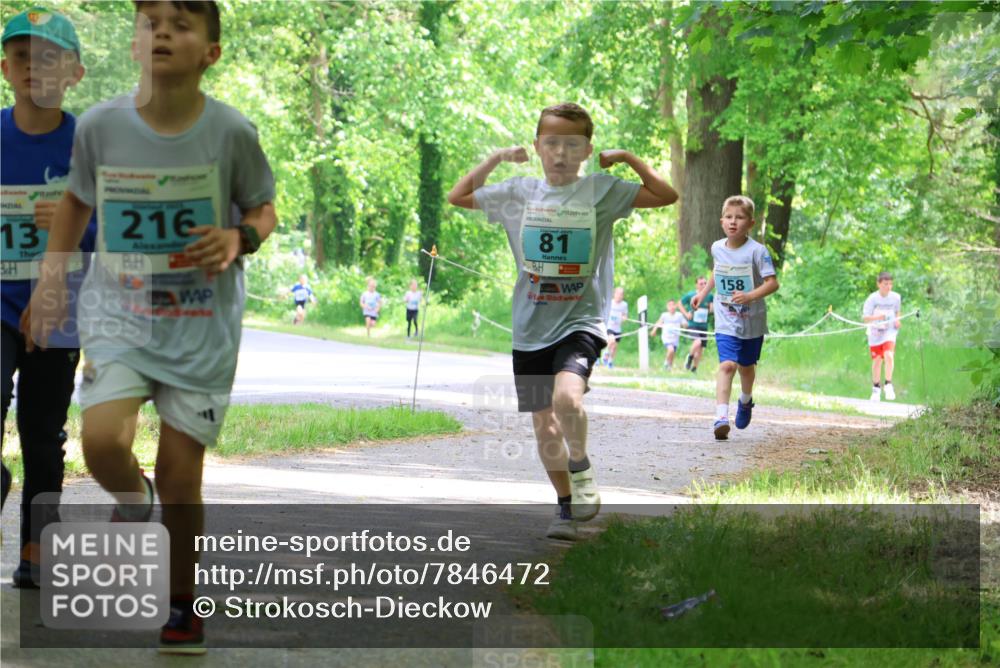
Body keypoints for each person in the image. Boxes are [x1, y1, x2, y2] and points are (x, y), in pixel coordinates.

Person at [22, 0, 276, 654]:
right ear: (136, 43)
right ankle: (133, 502)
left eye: (182, 23)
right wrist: (52, 280)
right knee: (103, 438)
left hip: (200, 325)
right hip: (120, 313)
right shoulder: (101, 127)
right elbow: (77, 200)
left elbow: (264, 208)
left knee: (181, 469)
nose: (163, 31)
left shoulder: (230, 133)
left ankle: (183, 604)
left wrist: (238, 236)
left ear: (210, 53)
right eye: (151, 21)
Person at [447, 102, 678, 540]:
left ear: (587, 150)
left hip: (582, 321)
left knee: (568, 400)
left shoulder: (601, 191)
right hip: (529, 327)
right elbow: (458, 196)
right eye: (551, 143)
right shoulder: (519, 193)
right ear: (537, 147)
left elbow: (666, 196)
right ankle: (567, 507)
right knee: (542, 422)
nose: (560, 153)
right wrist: (496, 159)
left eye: (572, 145)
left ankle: (581, 463)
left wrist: (627, 158)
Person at [1, 6, 92, 589]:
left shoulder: (89, 143)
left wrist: (71, 224)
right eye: (23, 56)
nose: (35, 67)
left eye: (50, 58)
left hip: (60, 309)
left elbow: (116, 228)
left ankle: (39, 541)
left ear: (75, 73)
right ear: (5, 67)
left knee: (42, 429)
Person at [692, 196, 779, 440]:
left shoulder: (758, 252)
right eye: (729, 217)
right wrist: (703, 293)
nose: (733, 222)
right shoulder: (717, 247)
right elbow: (717, 270)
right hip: (725, 317)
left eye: (739, 218)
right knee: (727, 364)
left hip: (752, 319)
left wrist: (750, 295)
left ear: (750, 223)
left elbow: (773, 283)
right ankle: (721, 416)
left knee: (747, 367)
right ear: (722, 221)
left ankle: (746, 400)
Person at [863, 271, 902, 401]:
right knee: (877, 361)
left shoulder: (896, 297)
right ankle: (876, 389)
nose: (888, 287)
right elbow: (865, 318)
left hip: (889, 331)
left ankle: (888, 384)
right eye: (885, 284)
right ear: (879, 284)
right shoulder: (872, 299)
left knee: (889, 355)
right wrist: (878, 317)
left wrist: (897, 320)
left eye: (890, 284)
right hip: (875, 332)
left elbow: (897, 311)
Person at [679, 276, 713, 373]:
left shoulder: (710, 296)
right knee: (697, 342)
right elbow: (679, 303)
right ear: (696, 285)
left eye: (705, 283)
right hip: (693, 324)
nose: (703, 285)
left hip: (703, 326)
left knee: (700, 350)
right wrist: (686, 314)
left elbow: (711, 309)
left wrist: (711, 307)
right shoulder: (691, 295)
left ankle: (694, 369)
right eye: (701, 283)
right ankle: (689, 358)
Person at [649, 299, 686, 370]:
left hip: (675, 338)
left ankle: (669, 368)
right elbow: (658, 323)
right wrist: (654, 330)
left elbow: (685, 324)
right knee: (671, 350)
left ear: (675, 306)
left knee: (672, 354)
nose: (672, 307)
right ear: (667, 307)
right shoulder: (664, 315)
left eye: (673, 305)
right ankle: (666, 363)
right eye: (670, 305)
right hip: (666, 337)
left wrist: (684, 325)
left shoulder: (679, 315)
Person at [602, 286, 627, 367]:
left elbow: (625, 315)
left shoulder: (624, 305)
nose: (619, 296)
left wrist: (624, 318)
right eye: (618, 293)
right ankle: (605, 353)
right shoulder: (610, 302)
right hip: (609, 326)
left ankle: (610, 361)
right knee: (611, 340)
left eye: (621, 294)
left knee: (614, 347)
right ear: (614, 294)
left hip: (617, 328)